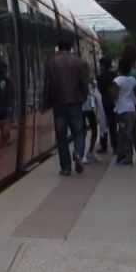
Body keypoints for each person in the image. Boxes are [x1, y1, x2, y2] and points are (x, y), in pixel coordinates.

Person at [41, 37, 92, 176]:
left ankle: (66, 167)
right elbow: (84, 84)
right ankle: (78, 153)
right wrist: (83, 98)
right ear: (71, 47)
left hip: (59, 105)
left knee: (61, 136)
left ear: (58, 46)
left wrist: (45, 104)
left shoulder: (51, 63)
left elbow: (47, 86)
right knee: (79, 132)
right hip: (75, 104)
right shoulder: (80, 62)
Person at [113, 52, 136, 165]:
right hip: (132, 110)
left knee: (124, 133)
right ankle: (125, 155)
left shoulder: (117, 80)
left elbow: (114, 96)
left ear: (120, 68)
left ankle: (127, 157)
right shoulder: (132, 79)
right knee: (128, 132)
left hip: (122, 111)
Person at [96, 57, 117, 153]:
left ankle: (104, 146)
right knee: (113, 125)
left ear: (103, 65)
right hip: (115, 101)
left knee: (103, 124)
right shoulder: (115, 75)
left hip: (105, 102)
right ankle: (115, 146)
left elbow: (100, 89)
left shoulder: (101, 76)